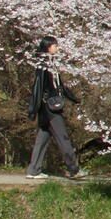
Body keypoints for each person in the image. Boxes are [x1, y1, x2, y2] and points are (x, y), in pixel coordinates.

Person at [26, 36, 86, 179]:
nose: (57, 48)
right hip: (51, 107)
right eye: (55, 45)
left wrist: (73, 98)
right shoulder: (45, 66)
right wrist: (33, 108)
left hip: (45, 108)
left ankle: (33, 170)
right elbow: (39, 88)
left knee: (42, 138)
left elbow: (61, 87)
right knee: (62, 137)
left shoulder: (47, 64)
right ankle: (74, 170)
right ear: (48, 47)